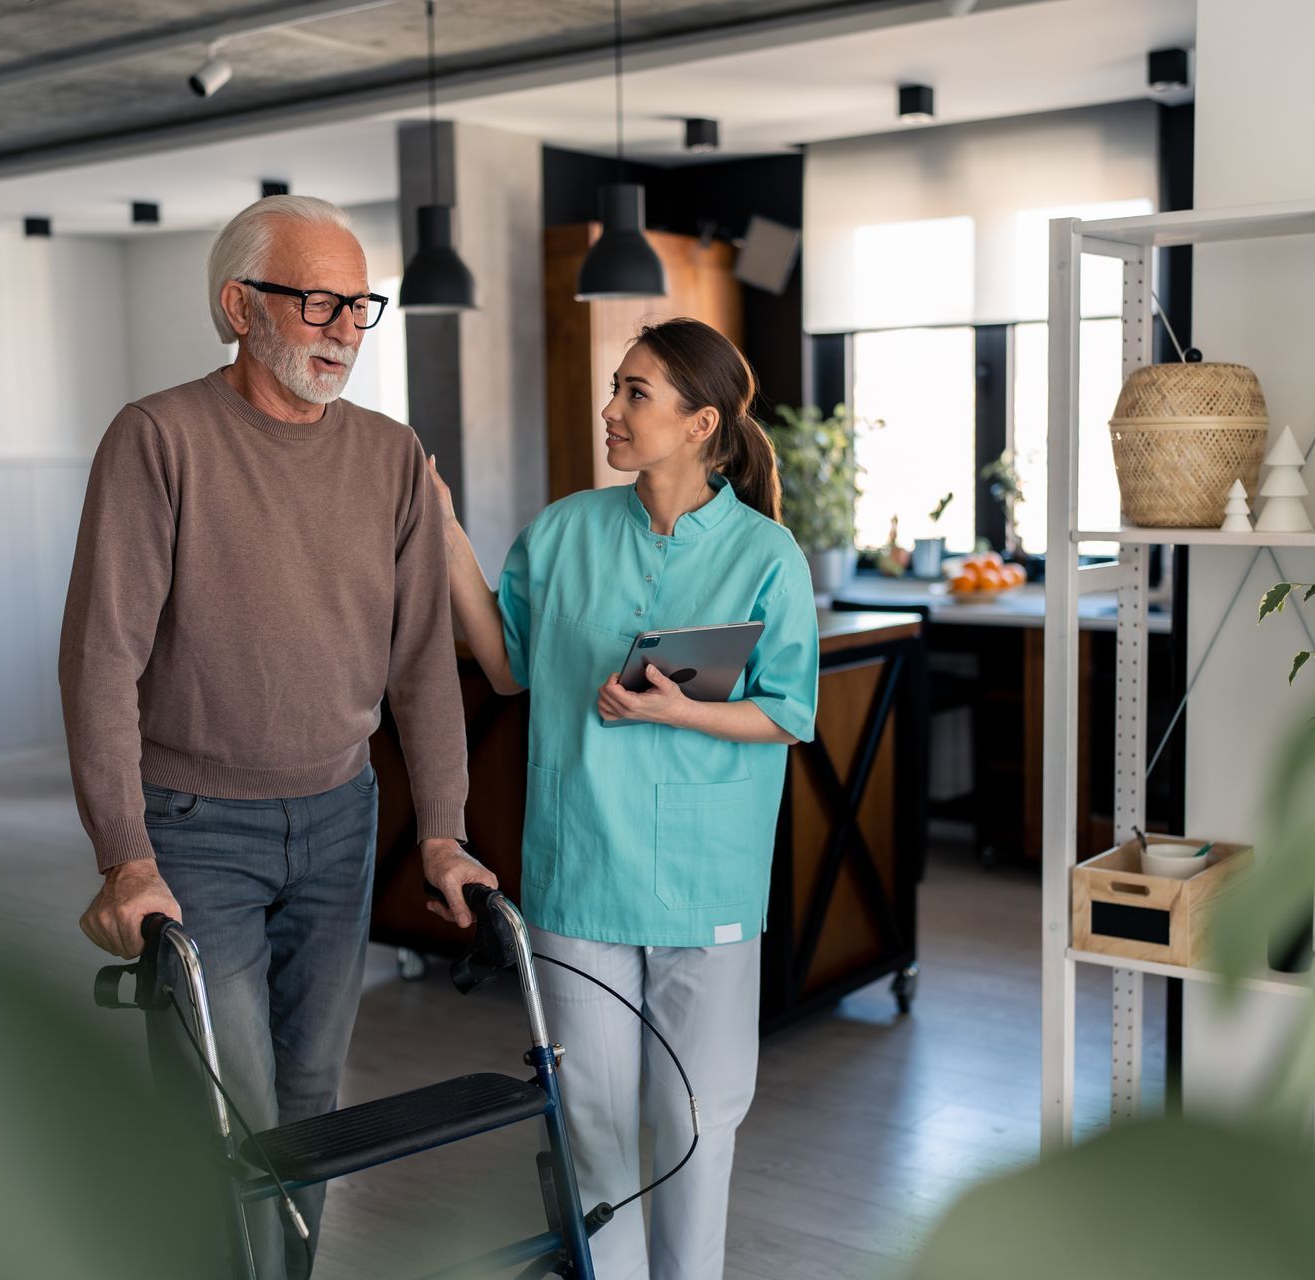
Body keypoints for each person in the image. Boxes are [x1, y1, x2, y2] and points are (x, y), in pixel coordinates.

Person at [59, 194, 496, 1280]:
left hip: (343, 816)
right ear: (238, 306)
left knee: (309, 1100)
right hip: (195, 827)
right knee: (231, 1103)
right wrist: (124, 853)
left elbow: (419, 667)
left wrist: (439, 830)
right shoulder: (157, 438)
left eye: (360, 304)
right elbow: (101, 658)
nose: (346, 327)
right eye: (318, 301)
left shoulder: (393, 457)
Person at [432, 317, 819, 1280]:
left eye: (635, 393)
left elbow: (790, 712)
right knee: (595, 1125)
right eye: (616, 387)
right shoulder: (562, 531)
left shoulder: (770, 555)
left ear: (701, 423)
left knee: (695, 1122)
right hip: (580, 868)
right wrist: (442, 531)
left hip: (707, 878)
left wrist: (682, 712)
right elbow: (509, 666)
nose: (611, 409)